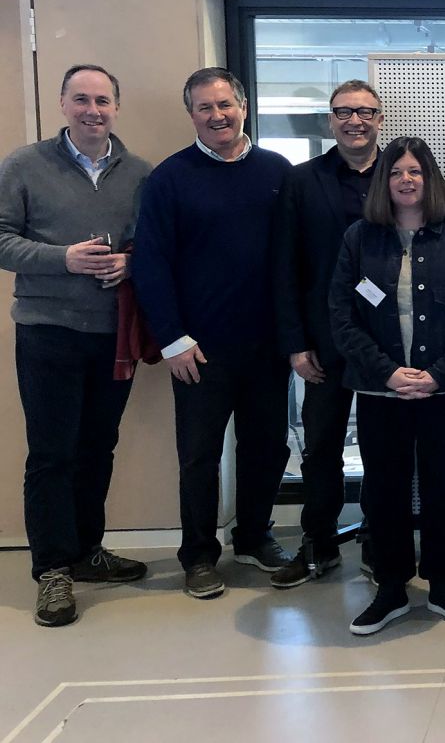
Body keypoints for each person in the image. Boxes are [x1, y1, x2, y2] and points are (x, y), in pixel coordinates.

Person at [133, 67, 295, 599]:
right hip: (198, 350)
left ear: (243, 106)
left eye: (224, 104)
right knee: (200, 456)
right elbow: (151, 264)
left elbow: (291, 261)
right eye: (204, 108)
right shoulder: (169, 178)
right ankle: (199, 555)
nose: (216, 116)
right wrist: (173, 337)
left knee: (267, 448)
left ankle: (252, 536)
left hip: (267, 346)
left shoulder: (277, 172)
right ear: (192, 116)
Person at [0, 64, 153, 626]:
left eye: (104, 100)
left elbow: (152, 242)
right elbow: (0, 238)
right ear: (62, 104)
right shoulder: (23, 165)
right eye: (82, 99)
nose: (93, 110)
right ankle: (53, 572)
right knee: (51, 455)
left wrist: (130, 262)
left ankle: (88, 551)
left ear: (117, 106)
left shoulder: (139, 172)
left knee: (97, 449)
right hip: (47, 333)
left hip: (113, 336)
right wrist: (62, 259)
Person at [329, 136, 445, 635]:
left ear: (430, 179)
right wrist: (387, 372)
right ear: (385, 180)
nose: (406, 179)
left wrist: (438, 373)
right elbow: (342, 316)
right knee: (385, 491)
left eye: (416, 171)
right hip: (383, 392)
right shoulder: (360, 238)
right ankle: (392, 588)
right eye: (397, 171)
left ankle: (442, 583)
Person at [270, 79, 384, 588]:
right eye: (344, 112)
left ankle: (382, 542)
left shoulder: (402, 176)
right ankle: (317, 543)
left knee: (386, 446)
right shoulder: (301, 181)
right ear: (330, 120)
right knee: (320, 446)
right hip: (321, 339)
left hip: (387, 340)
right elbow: (284, 267)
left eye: (365, 111)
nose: (355, 121)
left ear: (380, 119)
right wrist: (295, 343)